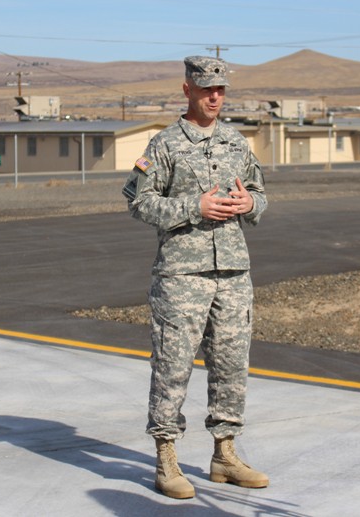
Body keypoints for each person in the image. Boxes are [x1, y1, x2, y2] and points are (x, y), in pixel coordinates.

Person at [122, 55, 269, 499]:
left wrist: (251, 206)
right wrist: (193, 207)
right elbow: (137, 201)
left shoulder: (236, 142)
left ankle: (224, 454)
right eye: (207, 89)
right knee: (172, 366)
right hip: (182, 276)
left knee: (230, 365)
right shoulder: (165, 145)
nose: (215, 97)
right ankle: (166, 457)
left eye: (221, 90)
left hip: (233, 272)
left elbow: (260, 194)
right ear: (187, 89)